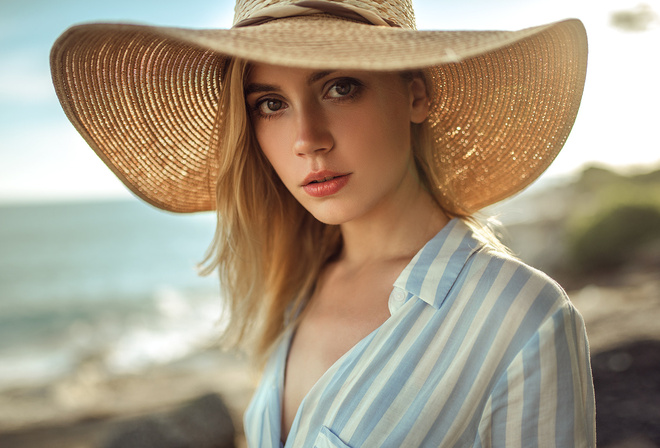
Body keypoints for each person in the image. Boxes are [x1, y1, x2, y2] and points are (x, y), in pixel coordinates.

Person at [50, 0, 596, 446]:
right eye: (270, 104)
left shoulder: (522, 316)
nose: (306, 138)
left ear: (415, 93)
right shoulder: (298, 287)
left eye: (340, 87)